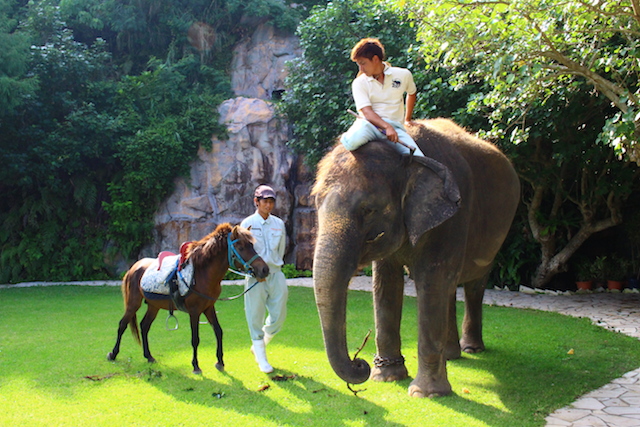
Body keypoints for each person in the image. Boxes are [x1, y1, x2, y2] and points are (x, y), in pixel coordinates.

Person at [340, 37, 425, 157]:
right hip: (369, 125)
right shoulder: (359, 82)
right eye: (359, 65)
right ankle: (348, 135)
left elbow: (412, 92)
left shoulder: (403, 74)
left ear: (375, 59)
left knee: (419, 158)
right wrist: (386, 127)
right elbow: (367, 112)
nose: (361, 69)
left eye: (363, 63)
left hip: (396, 129)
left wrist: (407, 119)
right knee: (351, 143)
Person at [240, 184, 287, 373]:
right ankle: (261, 358)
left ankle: (259, 345)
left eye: (271, 202)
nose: (268, 205)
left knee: (279, 316)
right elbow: (242, 253)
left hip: (276, 273)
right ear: (256, 202)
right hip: (255, 278)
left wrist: (273, 266)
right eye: (265, 201)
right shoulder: (247, 224)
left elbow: (281, 249)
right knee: (255, 317)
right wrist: (253, 273)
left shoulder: (279, 224)